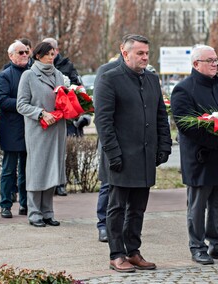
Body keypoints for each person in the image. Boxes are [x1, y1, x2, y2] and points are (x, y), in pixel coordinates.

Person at [94, 34, 172, 273]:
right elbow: (103, 122)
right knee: (117, 208)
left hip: (145, 156)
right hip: (120, 157)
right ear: (124, 52)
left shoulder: (151, 79)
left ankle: (133, 251)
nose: (145, 57)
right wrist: (113, 154)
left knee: (138, 208)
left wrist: (164, 145)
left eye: (147, 53)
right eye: (140, 53)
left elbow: (160, 115)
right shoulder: (109, 78)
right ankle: (116, 254)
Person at [171, 45, 218, 265]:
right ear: (196, 64)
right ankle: (197, 246)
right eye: (210, 60)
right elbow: (186, 126)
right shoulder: (183, 89)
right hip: (200, 157)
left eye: (216, 60)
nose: (215, 64)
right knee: (197, 205)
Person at [17, 42, 66, 227]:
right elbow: (21, 104)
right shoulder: (29, 75)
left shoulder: (59, 74)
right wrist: (40, 113)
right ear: (38, 56)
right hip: (39, 129)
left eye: (53, 53)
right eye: (48, 54)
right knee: (37, 170)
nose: (52, 57)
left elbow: (62, 98)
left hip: (57, 128)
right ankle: (34, 212)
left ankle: (48, 212)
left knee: (53, 169)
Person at [94, 36, 128, 243]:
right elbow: (101, 109)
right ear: (123, 50)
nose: (142, 56)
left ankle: (123, 225)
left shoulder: (145, 73)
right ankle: (103, 224)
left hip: (135, 141)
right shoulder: (106, 71)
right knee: (108, 183)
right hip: (112, 137)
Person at [42, 37, 82, 196]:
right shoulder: (37, 66)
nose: (49, 54)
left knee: (61, 152)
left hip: (63, 116)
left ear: (56, 51)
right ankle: (46, 184)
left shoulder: (67, 66)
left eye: (51, 51)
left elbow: (77, 87)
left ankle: (60, 183)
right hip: (45, 115)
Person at [0, 41, 30, 218]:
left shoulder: (32, 73)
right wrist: (25, 105)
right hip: (11, 128)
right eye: (21, 52)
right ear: (11, 56)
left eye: (26, 52)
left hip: (30, 128)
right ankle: (5, 205)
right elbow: (2, 100)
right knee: (9, 170)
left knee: (27, 170)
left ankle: (25, 205)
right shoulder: (5, 75)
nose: (25, 55)